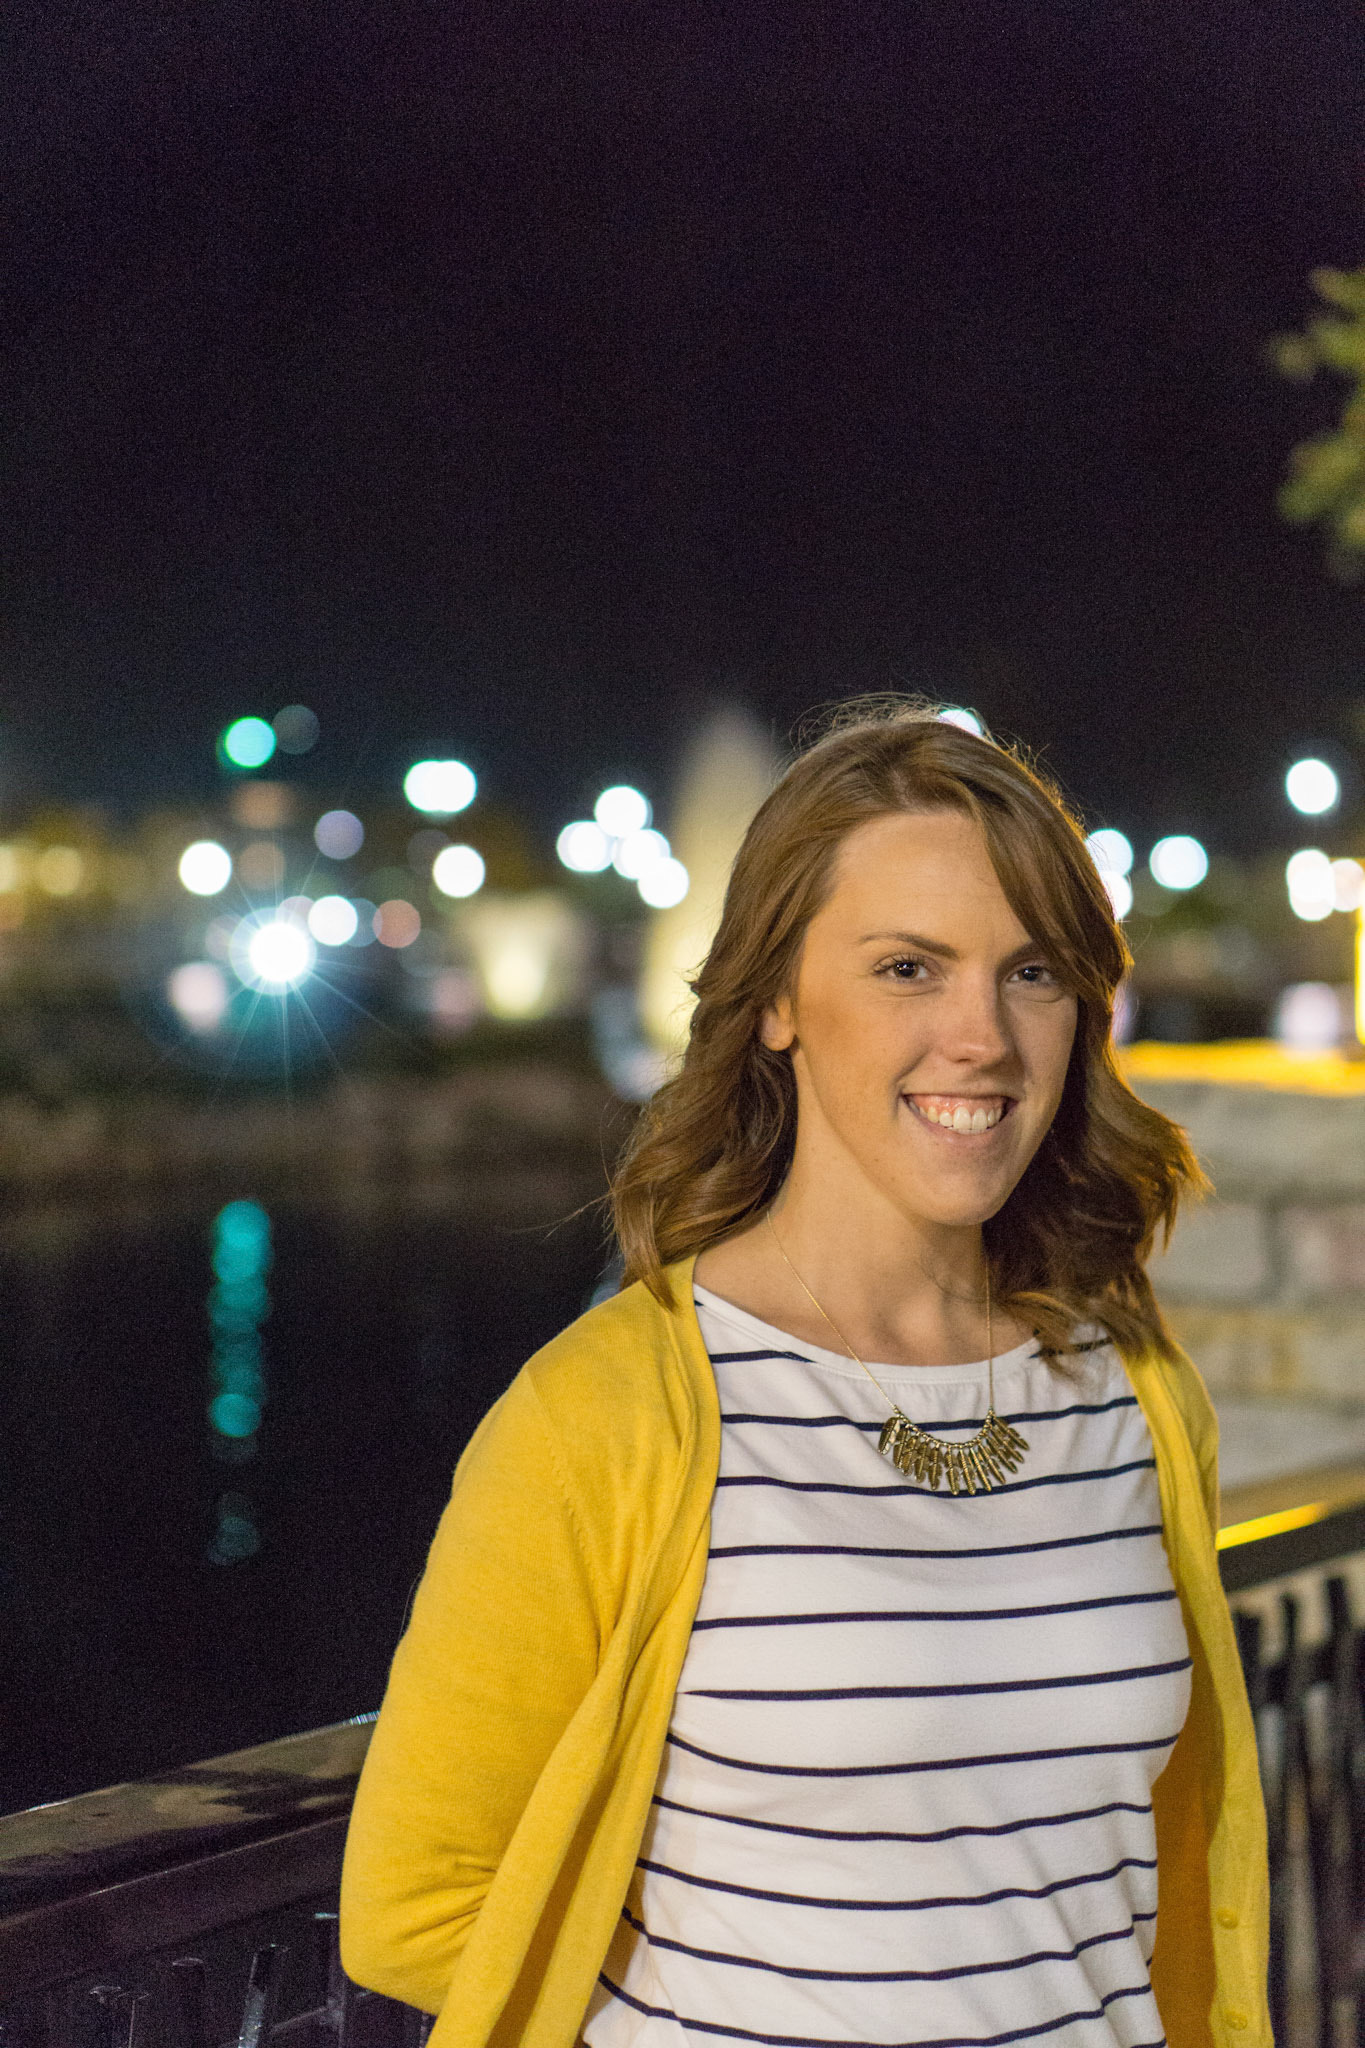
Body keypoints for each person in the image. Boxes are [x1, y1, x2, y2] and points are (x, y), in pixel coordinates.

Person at [340, 701, 1270, 2048]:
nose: (982, 1036)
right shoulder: (603, 1416)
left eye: (1031, 972)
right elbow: (416, 1903)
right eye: (907, 968)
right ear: (776, 999)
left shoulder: (1134, 1391)